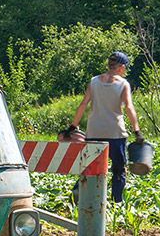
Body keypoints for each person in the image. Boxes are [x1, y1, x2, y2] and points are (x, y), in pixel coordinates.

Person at [62, 51, 144, 203]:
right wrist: (136, 131)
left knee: (90, 166)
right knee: (119, 169)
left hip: (94, 132)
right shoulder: (123, 84)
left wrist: (73, 126)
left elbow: (83, 104)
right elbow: (129, 107)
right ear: (122, 67)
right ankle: (117, 202)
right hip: (115, 133)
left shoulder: (94, 81)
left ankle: (77, 194)